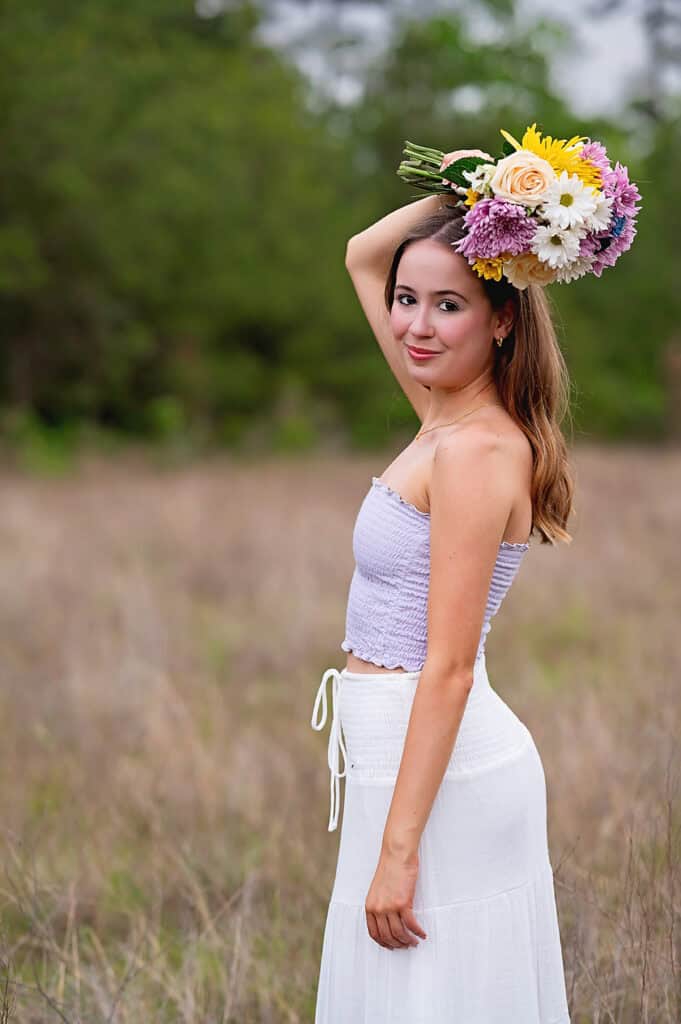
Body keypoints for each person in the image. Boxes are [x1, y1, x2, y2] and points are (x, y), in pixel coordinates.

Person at [310, 144, 584, 1023]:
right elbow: (361, 250)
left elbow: (451, 667)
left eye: (448, 305)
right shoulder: (440, 413)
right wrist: (477, 197)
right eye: (406, 301)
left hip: (446, 770)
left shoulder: (474, 449)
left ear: (501, 320)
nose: (415, 325)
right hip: (397, 752)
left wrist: (400, 848)